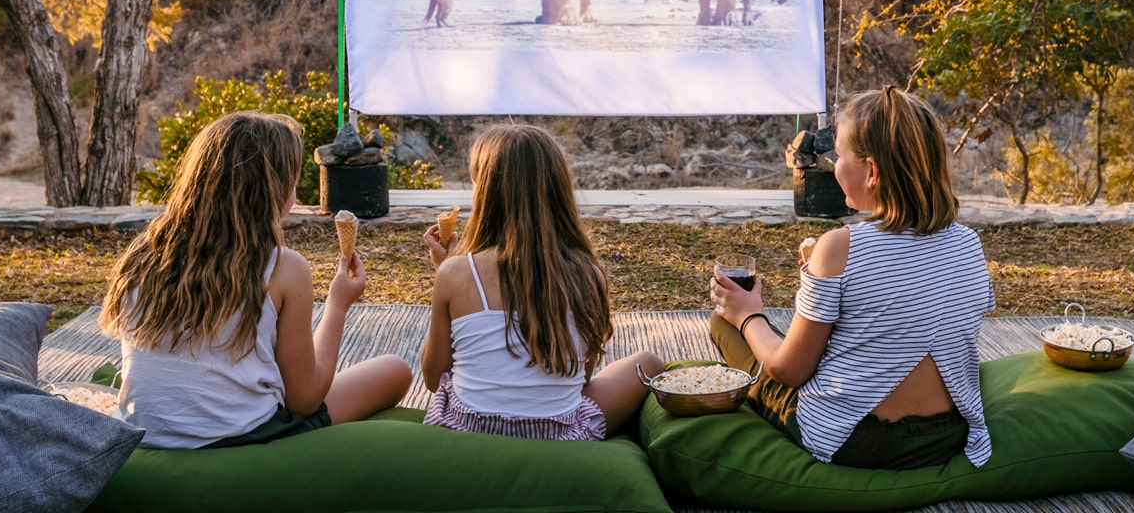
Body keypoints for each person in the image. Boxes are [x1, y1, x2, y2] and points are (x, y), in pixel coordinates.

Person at [709, 86, 995, 470]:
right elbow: (908, 316)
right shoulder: (967, 243)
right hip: (946, 436)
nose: (833, 166)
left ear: (872, 171)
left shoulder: (840, 247)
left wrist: (747, 314)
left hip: (858, 440)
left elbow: (789, 370)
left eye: (838, 156)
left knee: (726, 322)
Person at [101, 111, 411, 448]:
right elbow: (304, 399)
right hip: (243, 435)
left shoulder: (143, 253)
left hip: (143, 431)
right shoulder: (284, 267)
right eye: (292, 182)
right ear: (274, 192)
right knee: (395, 371)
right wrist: (337, 305)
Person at [419, 123, 664, 438]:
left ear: (485, 193)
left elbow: (433, 378)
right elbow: (582, 379)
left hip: (470, 431)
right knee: (649, 362)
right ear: (559, 190)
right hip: (559, 437)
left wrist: (446, 269)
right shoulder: (589, 275)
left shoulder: (454, 273)